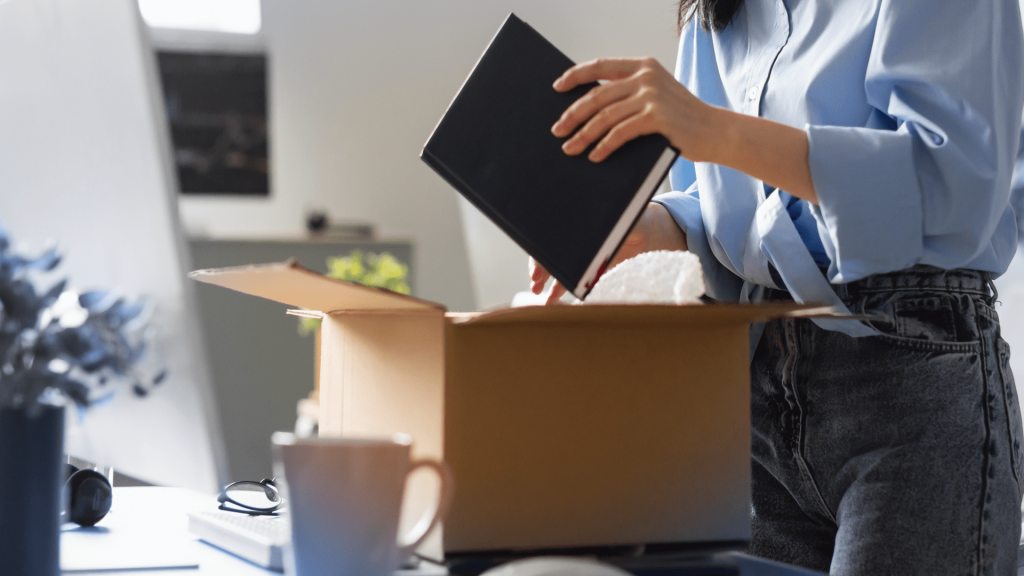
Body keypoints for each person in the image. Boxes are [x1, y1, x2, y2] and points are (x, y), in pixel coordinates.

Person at [529, 1, 1024, 574]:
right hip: (759, 399)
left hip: (912, 385)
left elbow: (952, 189)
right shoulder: (713, 10)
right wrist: (648, 229)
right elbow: (725, 203)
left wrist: (714, 130)